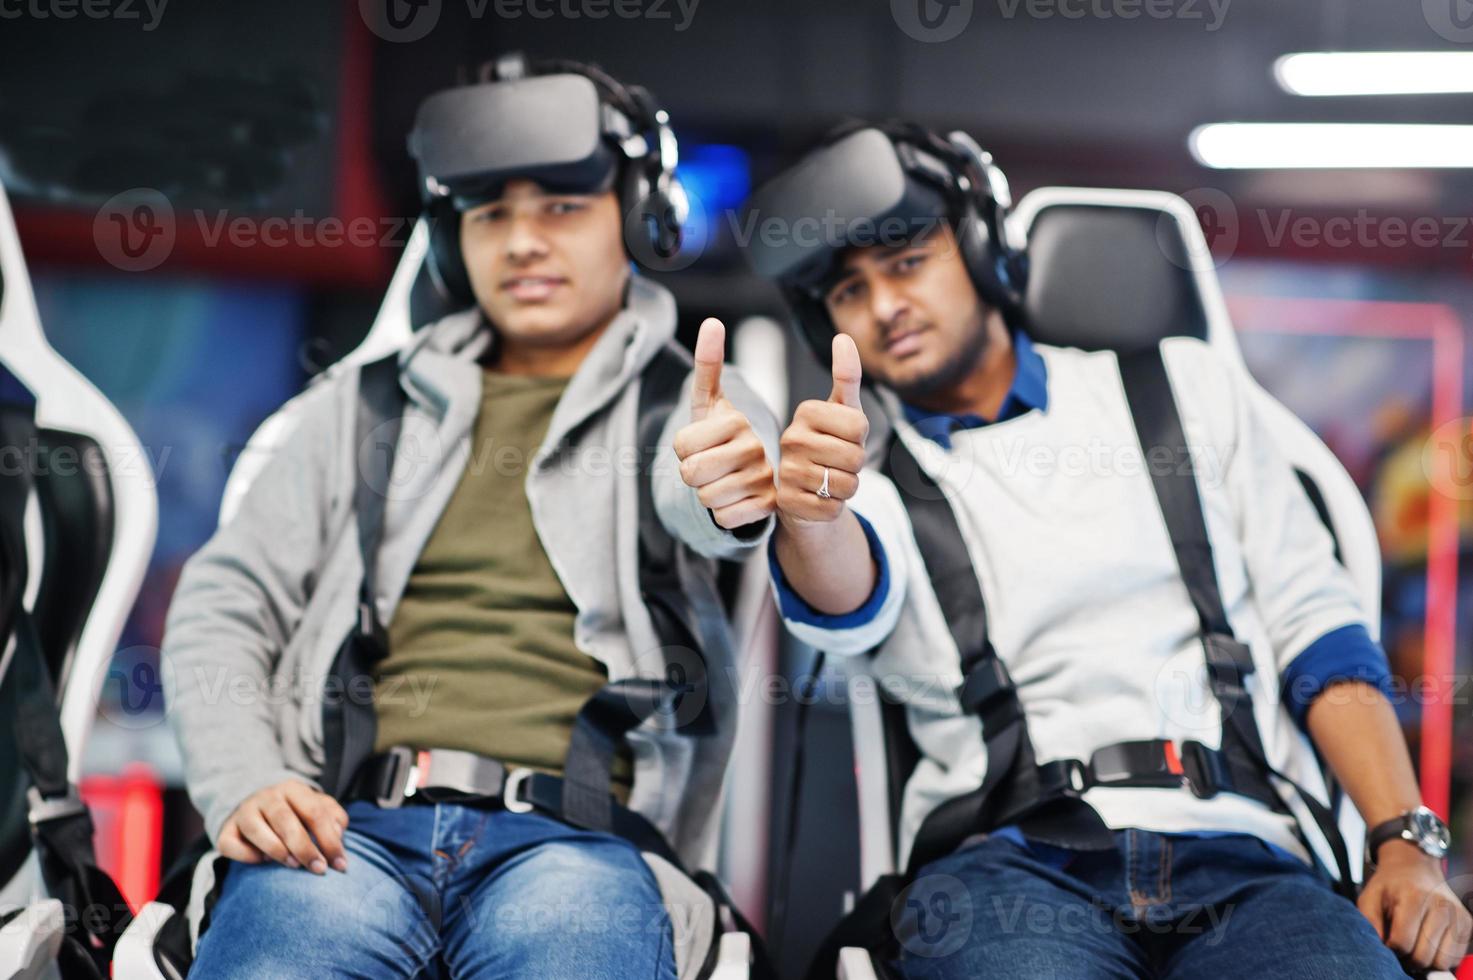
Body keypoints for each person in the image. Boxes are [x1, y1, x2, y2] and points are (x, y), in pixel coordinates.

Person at [742, 121, 1472, 978]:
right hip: (1006, 866)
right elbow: (844, 588)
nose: (884, 308)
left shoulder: (1182, 392)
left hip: (1248, 855)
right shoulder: (863, 477)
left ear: (980, 246)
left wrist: (1402, 841)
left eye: (907, 263)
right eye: (848, 294)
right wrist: (811, 517)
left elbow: (1319, 633)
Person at [162, 55, 778, 978]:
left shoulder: (685, 404)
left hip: (579, 847)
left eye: (562, 208)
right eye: (489, 214)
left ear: (639, 221)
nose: (523, 241)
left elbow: (713, 481)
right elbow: (226, 600)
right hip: (344, 829)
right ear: (453, 241)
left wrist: (728, 483)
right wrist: (245, 780)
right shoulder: (360, 405)